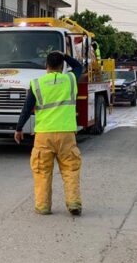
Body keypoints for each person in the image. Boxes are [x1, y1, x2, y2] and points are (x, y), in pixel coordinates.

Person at [14, 51, 84, 216]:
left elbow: (26, 108)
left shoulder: (37, 83)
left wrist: (19, 128)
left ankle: (43, 206)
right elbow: (79, 66)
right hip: (67, 133)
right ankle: (74, 203)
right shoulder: (70, 79)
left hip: (44, 135)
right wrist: (65, 56)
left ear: (46, 66)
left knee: (42, 171)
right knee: (71, 169)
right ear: (62, 67)